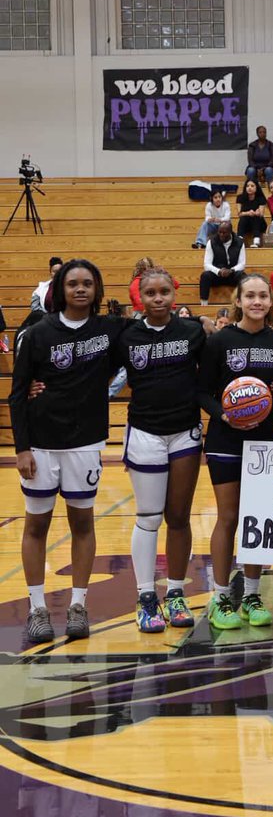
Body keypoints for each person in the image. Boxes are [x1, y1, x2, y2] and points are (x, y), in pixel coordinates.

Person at [9, 259, 127, 643]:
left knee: (82, 523)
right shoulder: (37, 333)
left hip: (86, 443)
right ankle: (37, 608)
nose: (80, 289)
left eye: (87, 283)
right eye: (72, 283)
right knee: (36, 525)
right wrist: (22, 448)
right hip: (41, 445)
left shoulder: (109, 330)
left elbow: (147, 343)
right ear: (59, 289)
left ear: (97, 289)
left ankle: (78, 604)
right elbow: (16, 393)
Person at [113, 268, 207, 633]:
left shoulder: (193, 331)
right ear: (140, 296)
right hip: (145, 433)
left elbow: (211, 373)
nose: (157, 298)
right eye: (150, 292)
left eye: (164, 291)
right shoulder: (126, 336)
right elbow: (93, 372)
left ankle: (177, 592)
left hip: (185, 432)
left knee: (179, 517)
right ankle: (146, 596)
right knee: (149, 517)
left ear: (174, 293)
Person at [198, 274, 273, 630]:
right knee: (229, 517)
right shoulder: (220, 341)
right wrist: (224, 414)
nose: (257, 301)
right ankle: (220, 596)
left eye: (263, 296)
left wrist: (272, 396)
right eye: (250, 295)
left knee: (257, 518)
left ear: (270, 302)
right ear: (238, 300)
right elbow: (201, 391)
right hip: (224, 441)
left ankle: (250, 593)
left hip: (264, 440)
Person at [199, 220, 246, 306]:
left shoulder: (239, 242)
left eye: (224, 233)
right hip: (217, 275)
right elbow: (207, 264)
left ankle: (241, 303)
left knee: (243, 276)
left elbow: (242, 264)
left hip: (232, 274)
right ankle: (204, 304)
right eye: (219, 232)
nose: (221, 235)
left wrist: (231, 270)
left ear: (230, 232)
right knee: (205, 275)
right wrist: (219, 271)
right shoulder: (212, 242)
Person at [236, 179, 268, 248]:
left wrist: (257, 212)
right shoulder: (240, 198)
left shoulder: (261, 198)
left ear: (256, 188)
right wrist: (248, 213)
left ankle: (256, 241)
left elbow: (261, 213)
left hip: (259, 224)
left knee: (256, 218)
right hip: (246, 224)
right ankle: (239, 240)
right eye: (247, 186)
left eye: (252, 186)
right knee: (243, 218)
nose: (249, 188)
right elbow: (239, 214)